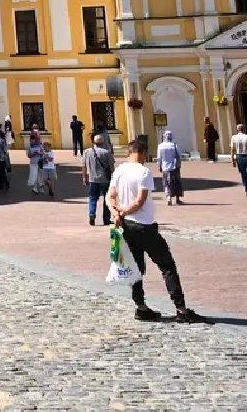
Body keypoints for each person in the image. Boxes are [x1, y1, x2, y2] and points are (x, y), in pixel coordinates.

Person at [107, 138, 204, 324]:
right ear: (142, 153)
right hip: (144, 226)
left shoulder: (119, 171)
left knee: (136, 268)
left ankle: (140, 307)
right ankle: (181, 308)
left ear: (129, 152)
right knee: (167, 266)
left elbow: (110, 196)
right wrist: (124, 211)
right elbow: (139, 201)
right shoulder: (144, 172)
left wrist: (116, 212)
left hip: (126, 226)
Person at [82, 133, 115, 225]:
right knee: (107, 199)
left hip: (93, 179)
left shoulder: (87, 152)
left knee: (93, 198)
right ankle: (106, 219)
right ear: (103, 142)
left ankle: (92, 214)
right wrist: (114, 177)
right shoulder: (106, 152)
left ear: (93, 141)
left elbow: (83, 166)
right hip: (106, 179)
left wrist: (84, 177)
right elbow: (111, 166)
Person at [230, 123, 247, 199]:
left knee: (243, 174)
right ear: (244, 129)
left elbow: (232, 149)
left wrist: (232, 160)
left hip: (239, 157)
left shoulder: (234, 137)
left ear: (237, 130)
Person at [156, 131, 184, 204]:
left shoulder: (161, 146)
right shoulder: (174, 145)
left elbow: (159, 157)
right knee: (176, 182)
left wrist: (159, 165)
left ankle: (169, 198)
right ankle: (177, 199)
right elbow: (178, 156)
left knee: (167, 182)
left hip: (165, 168)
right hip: (174, 167)